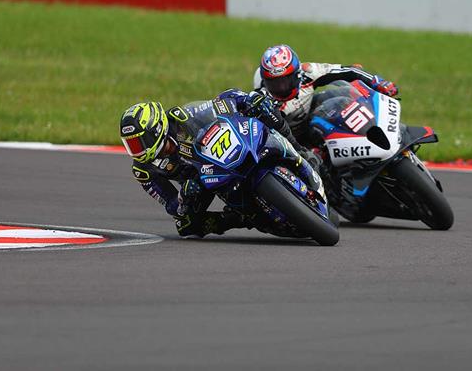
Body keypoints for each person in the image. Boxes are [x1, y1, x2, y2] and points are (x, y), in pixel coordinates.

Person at [119, 90, 323, 238]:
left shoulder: (180, 118)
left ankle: (299, 151)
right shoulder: (143, 171)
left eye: (138, 143)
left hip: (222, 154)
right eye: (130, 145)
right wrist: (183, 197)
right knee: (186, 227)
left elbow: (219, 103)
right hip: (202, 183)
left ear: (155, 131)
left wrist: (244, 99)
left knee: (262, 106)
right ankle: (240, 219)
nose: (136, 151)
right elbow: (171, 205)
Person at [252, 44, 399, 145]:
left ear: (297, 74)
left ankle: (383, 132)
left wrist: (377, 82)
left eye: (285, 81)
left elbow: (349, 71)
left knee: (339, 95)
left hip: (310, 121)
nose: (281, 88)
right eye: (274, 83)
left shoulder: (308, 72)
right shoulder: (264, 99)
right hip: (290, 143)